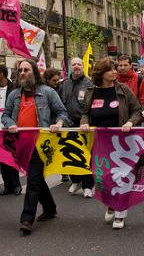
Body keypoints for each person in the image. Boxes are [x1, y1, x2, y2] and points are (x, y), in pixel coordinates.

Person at [1, 59, 69, 235]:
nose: (23, 73)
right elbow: (6, 116)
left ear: (34, 73)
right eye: (20, 70)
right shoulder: (13, 95)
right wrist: (10, 124)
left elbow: (62, 112)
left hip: (41, 143)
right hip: (21, 145)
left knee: (32, 180)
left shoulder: (47, 92)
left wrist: (59, 123)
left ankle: (26, 219)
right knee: (36, 178)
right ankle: (50, 208)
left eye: (26, 70)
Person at [80, 57, 142, 229]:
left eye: (116, 68)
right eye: (111, 69)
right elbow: (85, 113)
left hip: (121, 141)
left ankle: (120, 213)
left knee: (121, 177)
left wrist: (130, 122)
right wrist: (84, 122)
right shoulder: (91, 91)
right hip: (100, 142)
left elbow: (137, 111)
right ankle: (110, 203)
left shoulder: (123, 89)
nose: (115, 71)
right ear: (101, 73)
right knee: (103, 177)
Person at [57, 58, 94, 197]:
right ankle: (75, 180)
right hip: (68, 124)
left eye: (79, 64)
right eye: (74, 64)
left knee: (85, 155)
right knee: (70, 153)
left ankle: (87, 186)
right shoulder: (64, 84)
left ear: (83, 66)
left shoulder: (89, 83)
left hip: (84, 123)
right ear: (70, 67)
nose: (76, 66)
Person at [0, 65, 23, 196]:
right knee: (2, 158)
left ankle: (17, 184)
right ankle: (8, 185)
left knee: (12, 157)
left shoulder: (14, 88)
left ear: (1, 74)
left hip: (10, 127)